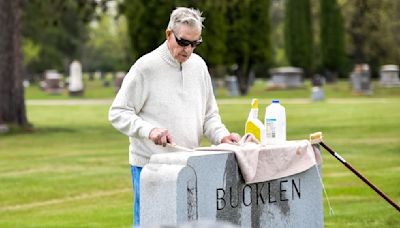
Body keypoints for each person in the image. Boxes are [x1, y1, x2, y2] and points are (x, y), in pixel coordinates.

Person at [108, 7, 240, 226]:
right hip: (151, 166)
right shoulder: (145, 68)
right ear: (168, 34)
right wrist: (149, 131)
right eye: (183, 42)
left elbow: (209, 116)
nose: (188, 50)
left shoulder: (199, 67)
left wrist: (223, 137)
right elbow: (118, 112)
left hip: (190, 164)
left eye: (195, 44)